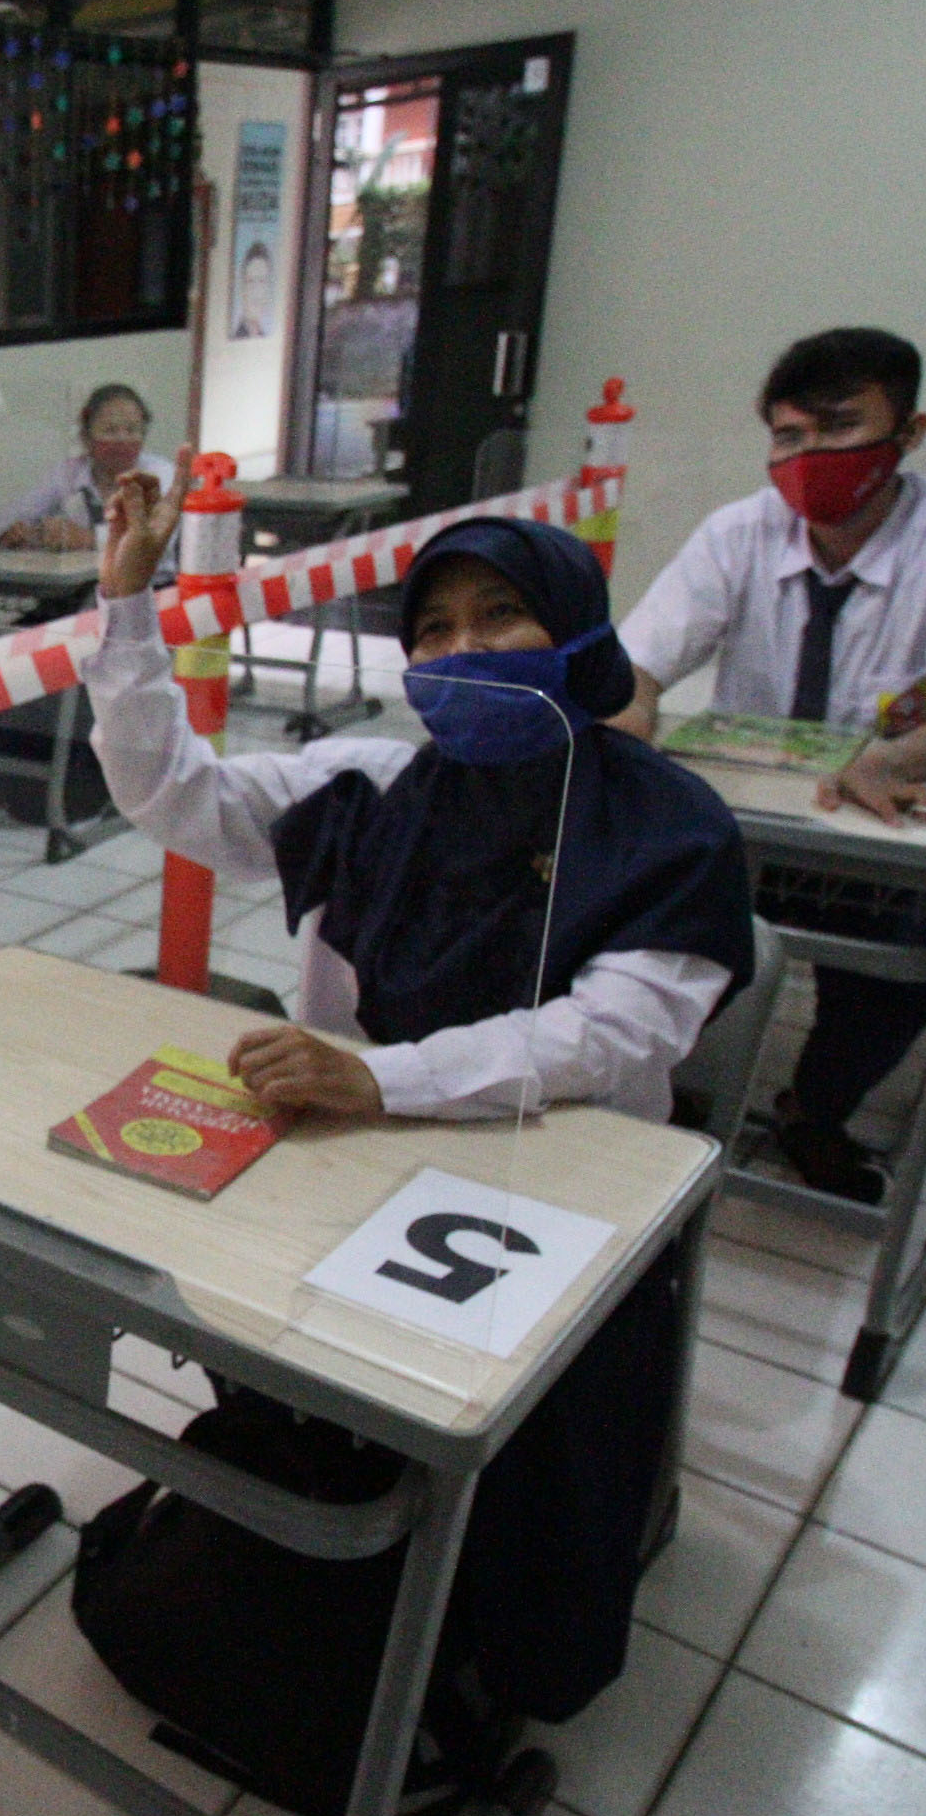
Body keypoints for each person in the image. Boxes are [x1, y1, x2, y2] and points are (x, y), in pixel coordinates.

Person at [84, 483, 757, 1725]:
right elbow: (170, 796)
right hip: (346, 1158)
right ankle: (326, 1528)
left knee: (517, 1481)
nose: (462, 652)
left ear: (577, 634)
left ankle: (484, 1624)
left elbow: (612, 1036)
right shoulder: (369, 785)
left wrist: (379, 1076)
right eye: (433, 631)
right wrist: (128, 607)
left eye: (499, 616)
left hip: (558, 1188)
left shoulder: (667, 826)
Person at [609, 327, 926, 1200]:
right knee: (652, 915)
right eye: (788, 436)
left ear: (911, 432)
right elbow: (642, 659)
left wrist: (896, 759)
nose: (810, 457)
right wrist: (633, 708)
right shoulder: (739, 531)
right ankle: (675, 1097)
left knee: (896, 957)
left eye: (841, 427)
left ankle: (816, 1111)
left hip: (872, 814)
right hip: (751, 817)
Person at [0, 382, 175, 553]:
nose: (122, 439)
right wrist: (20, 533)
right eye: (110, 430)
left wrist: (87, 539)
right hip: (86, 581)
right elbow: (4, 522)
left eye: (132, 430)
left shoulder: (161, 474)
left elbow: (156, 541)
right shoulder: (68, 472)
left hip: (155, 583)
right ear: (85, 437)